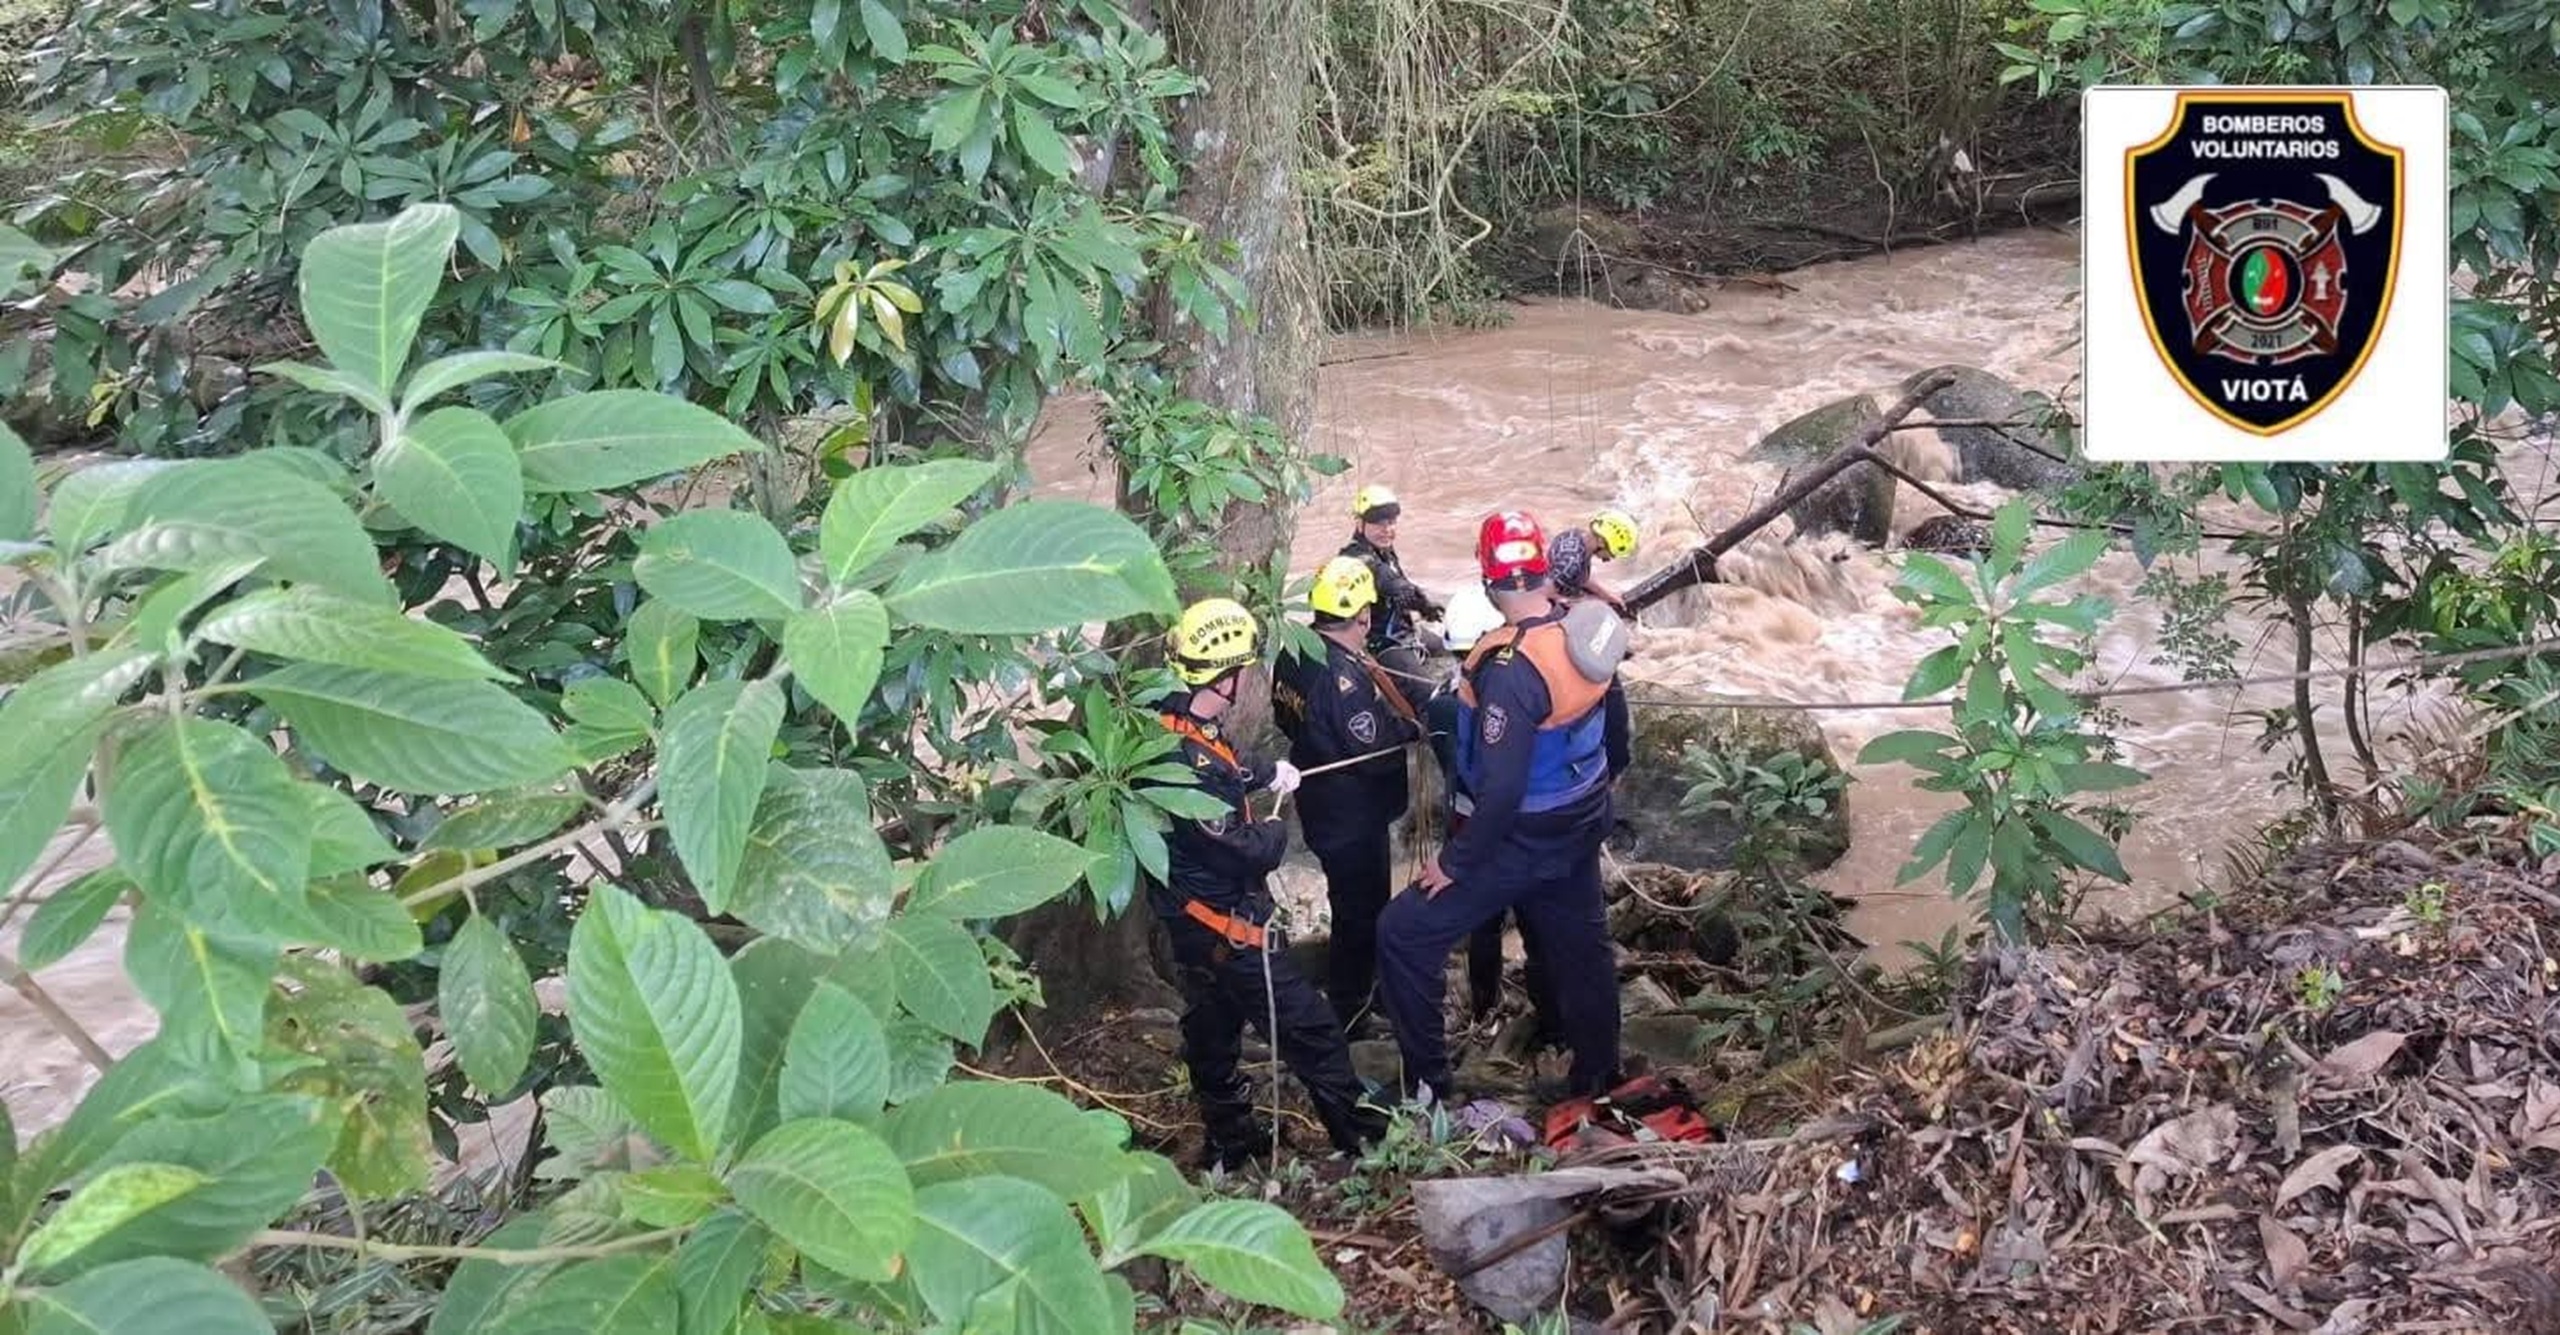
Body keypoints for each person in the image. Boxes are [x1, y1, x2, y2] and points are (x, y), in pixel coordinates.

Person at [1377, 511, 1632, 1104]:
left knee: (1401, 934)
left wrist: (1455, 863)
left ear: (1490, 581)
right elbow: (1615, 728)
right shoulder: (1586, 628)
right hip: (1580, 818)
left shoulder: (1510, 670)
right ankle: (1598, 1072)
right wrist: (1606, 784)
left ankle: (1428, 1093)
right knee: (1584, 944)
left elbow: (1503, 790)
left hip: (1522, 836)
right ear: (1543, 569)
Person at [1148, 598, 1388, 1168]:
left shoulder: (1174, 720)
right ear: (1228, 677)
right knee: (1313, 1030)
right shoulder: (1194, 767)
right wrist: (1277, 829)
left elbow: (1223, 760)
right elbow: (1239, 850)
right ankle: (1363, 1141)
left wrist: (1263, 772)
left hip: (1194, 927)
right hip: (1228, 928)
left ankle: (1231, 1138)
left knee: (1212, 1027)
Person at [1273, 558, 1424, 1038]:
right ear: (1363, 617)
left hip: (1321, 803)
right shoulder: (1345, 679)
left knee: (1351, 903)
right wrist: (1410, 727)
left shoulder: (1294, 652)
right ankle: (1352, 1009)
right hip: (1352, 816)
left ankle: (1358, 992)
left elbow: (1284, 717)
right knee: (1362, 910)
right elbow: (1373, 749)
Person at [1341, 484, 1444, 709]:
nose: (1387, 529)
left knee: (1445, 646)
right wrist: (1421, 602)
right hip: (1379, 643)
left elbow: (1397, 579)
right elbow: (1387, 580)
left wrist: (1423, 607)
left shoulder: (1383, 549)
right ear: (1360, 523)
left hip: (1401, 628)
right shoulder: (1357, 558)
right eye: (1379, 522)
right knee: (1430, 696)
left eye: (1391, 522)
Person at [1548, 508, 1640, 618]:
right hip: (1545, 595)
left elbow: (1581, 578)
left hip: (1561, 581)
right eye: (1612, 553)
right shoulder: (1571, 564)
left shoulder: (1578, 536)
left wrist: (1606, 594)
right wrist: (1597, 604)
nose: (1612, 557)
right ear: (1601, 542)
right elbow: (1557, 596)